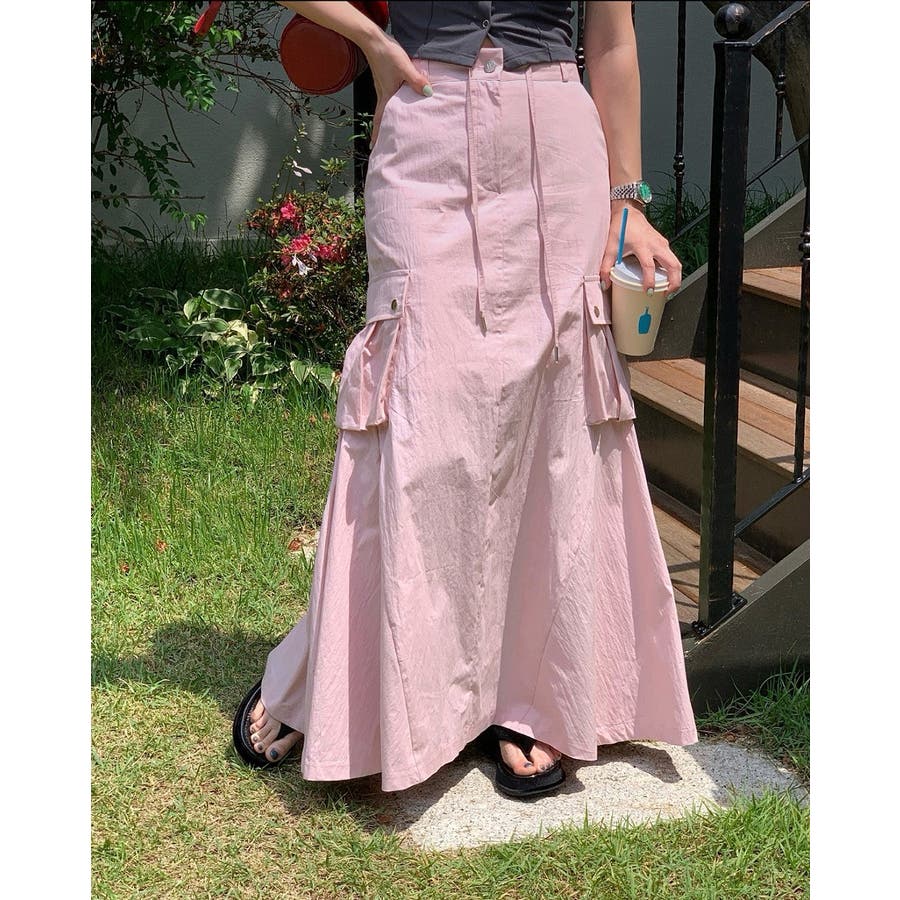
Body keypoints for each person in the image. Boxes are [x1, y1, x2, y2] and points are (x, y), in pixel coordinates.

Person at [233, 0, 699, 799]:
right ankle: (351, 678)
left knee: (552, 416)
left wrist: (628, 199)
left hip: (556, 140)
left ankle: (535, 692)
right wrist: (373, 43)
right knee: (417, 401)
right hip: (428, 121)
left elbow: (611, 36)